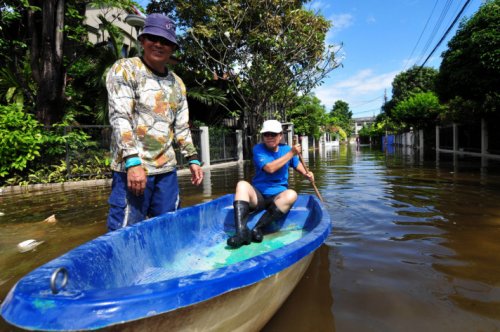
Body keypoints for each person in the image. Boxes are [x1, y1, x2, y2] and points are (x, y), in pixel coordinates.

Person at [105, 13, 203, 231]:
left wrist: (193, 158)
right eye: (153, 38)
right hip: (133, 168)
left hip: (166, 170)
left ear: (172, 48)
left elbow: (181, 125)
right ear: (142, 40)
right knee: (125, 231)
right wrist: (132, 162)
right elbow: (120, 117)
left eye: (166, 41)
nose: (159, 45)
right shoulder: (125, 69)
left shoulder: (177, 83)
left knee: (167, 228)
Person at [227, 120, 314, 248]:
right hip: (259, 197)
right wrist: (291, 153)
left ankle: (257, 228)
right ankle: (241, 233)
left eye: (273, 134)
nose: (269, 137)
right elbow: (270, 168)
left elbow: (297, 164)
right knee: (242, 184)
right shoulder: (258, 149)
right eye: (266, 134)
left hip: (277, 198)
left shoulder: (287, 149)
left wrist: (307, 173)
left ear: (280, 135)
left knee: (292, 194)